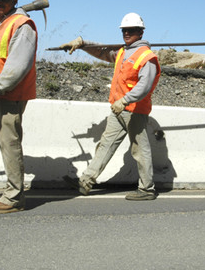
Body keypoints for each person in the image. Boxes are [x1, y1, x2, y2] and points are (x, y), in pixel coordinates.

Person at [60, 12, 161, 200]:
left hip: (134, 110)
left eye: (131, 30)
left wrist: (125, 100)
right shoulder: (122, 51)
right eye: (124, 30)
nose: (126, 33)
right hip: (118, 110)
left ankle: (147, 189)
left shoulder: (147, 57)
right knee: (105, 145)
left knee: (140, 150)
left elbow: (144, 85)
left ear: (140, 32)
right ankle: (86, 181)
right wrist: (82, 43)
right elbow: (101, 51)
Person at [0, 0, 37, 213]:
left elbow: (17, 66)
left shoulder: (22, 26)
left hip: (7, 96)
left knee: (9, 143)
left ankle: (14, 196)